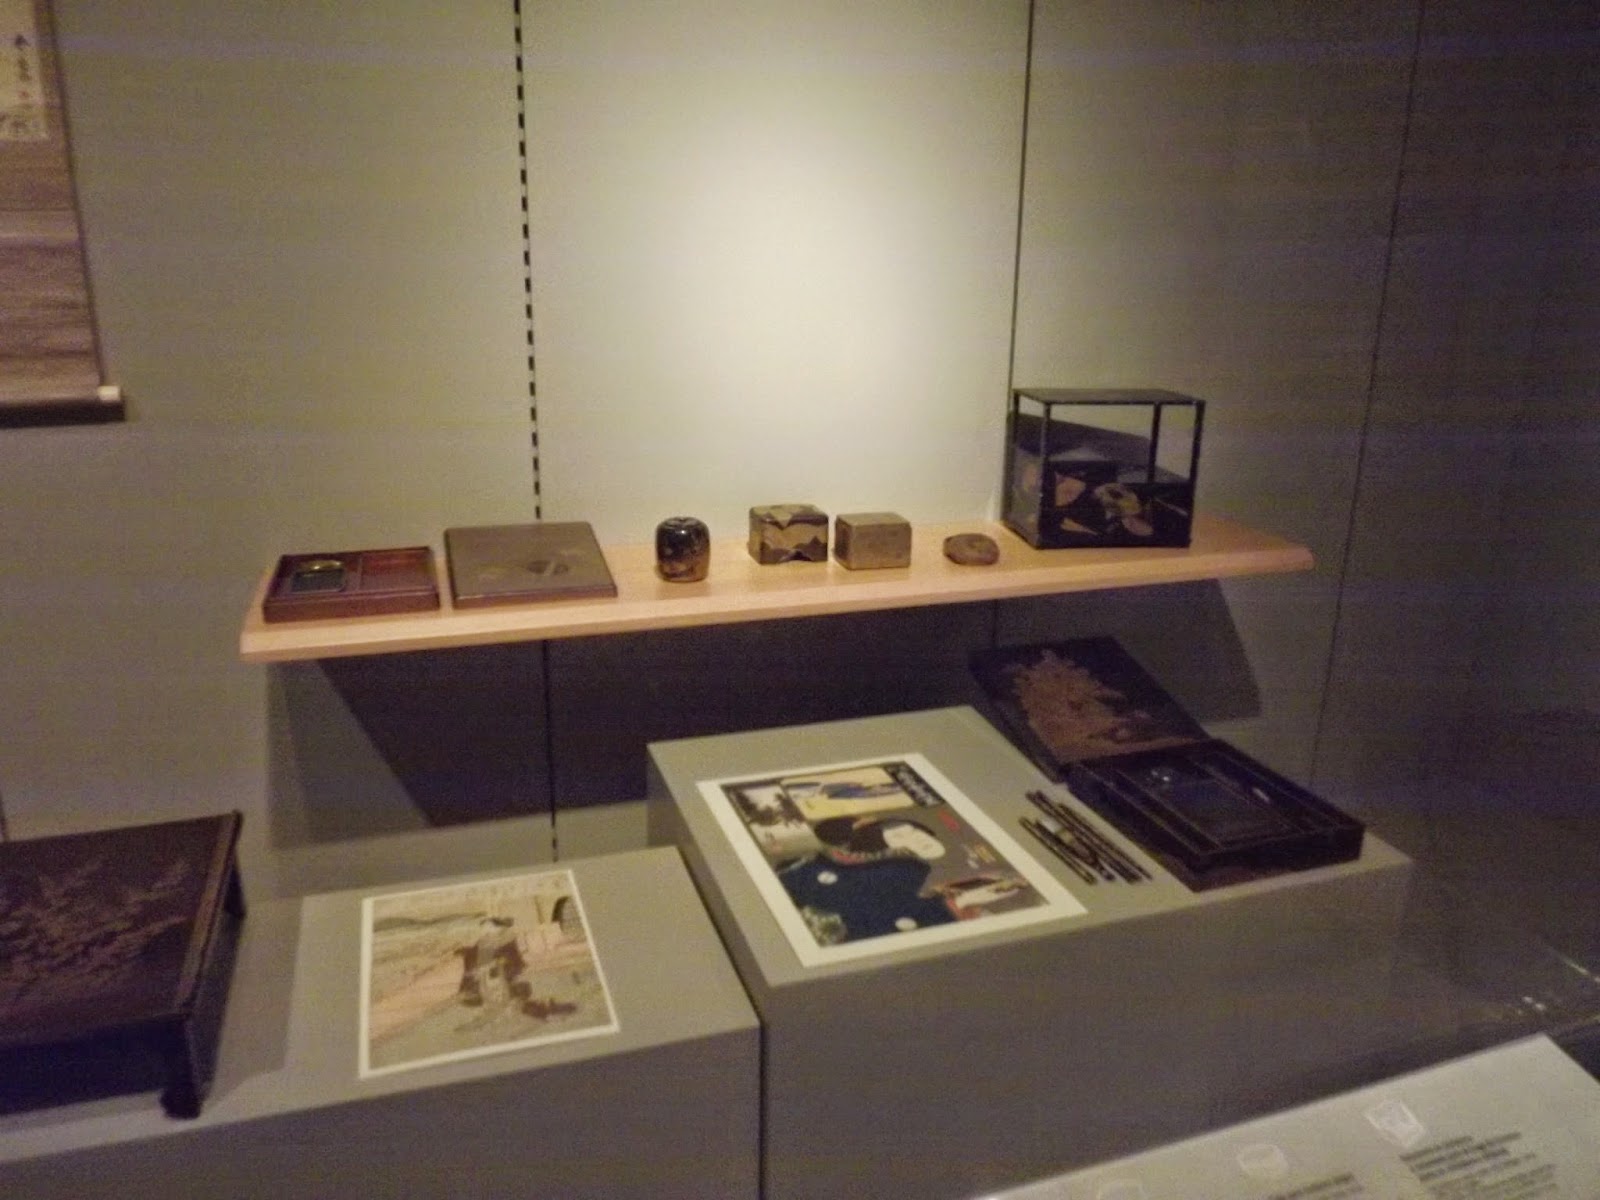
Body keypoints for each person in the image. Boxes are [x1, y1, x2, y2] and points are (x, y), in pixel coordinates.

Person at [777, 816, 955, 944]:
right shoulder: (898, 869)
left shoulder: (911, 871)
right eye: (898, 836)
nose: (918, 838)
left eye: (916, 831)